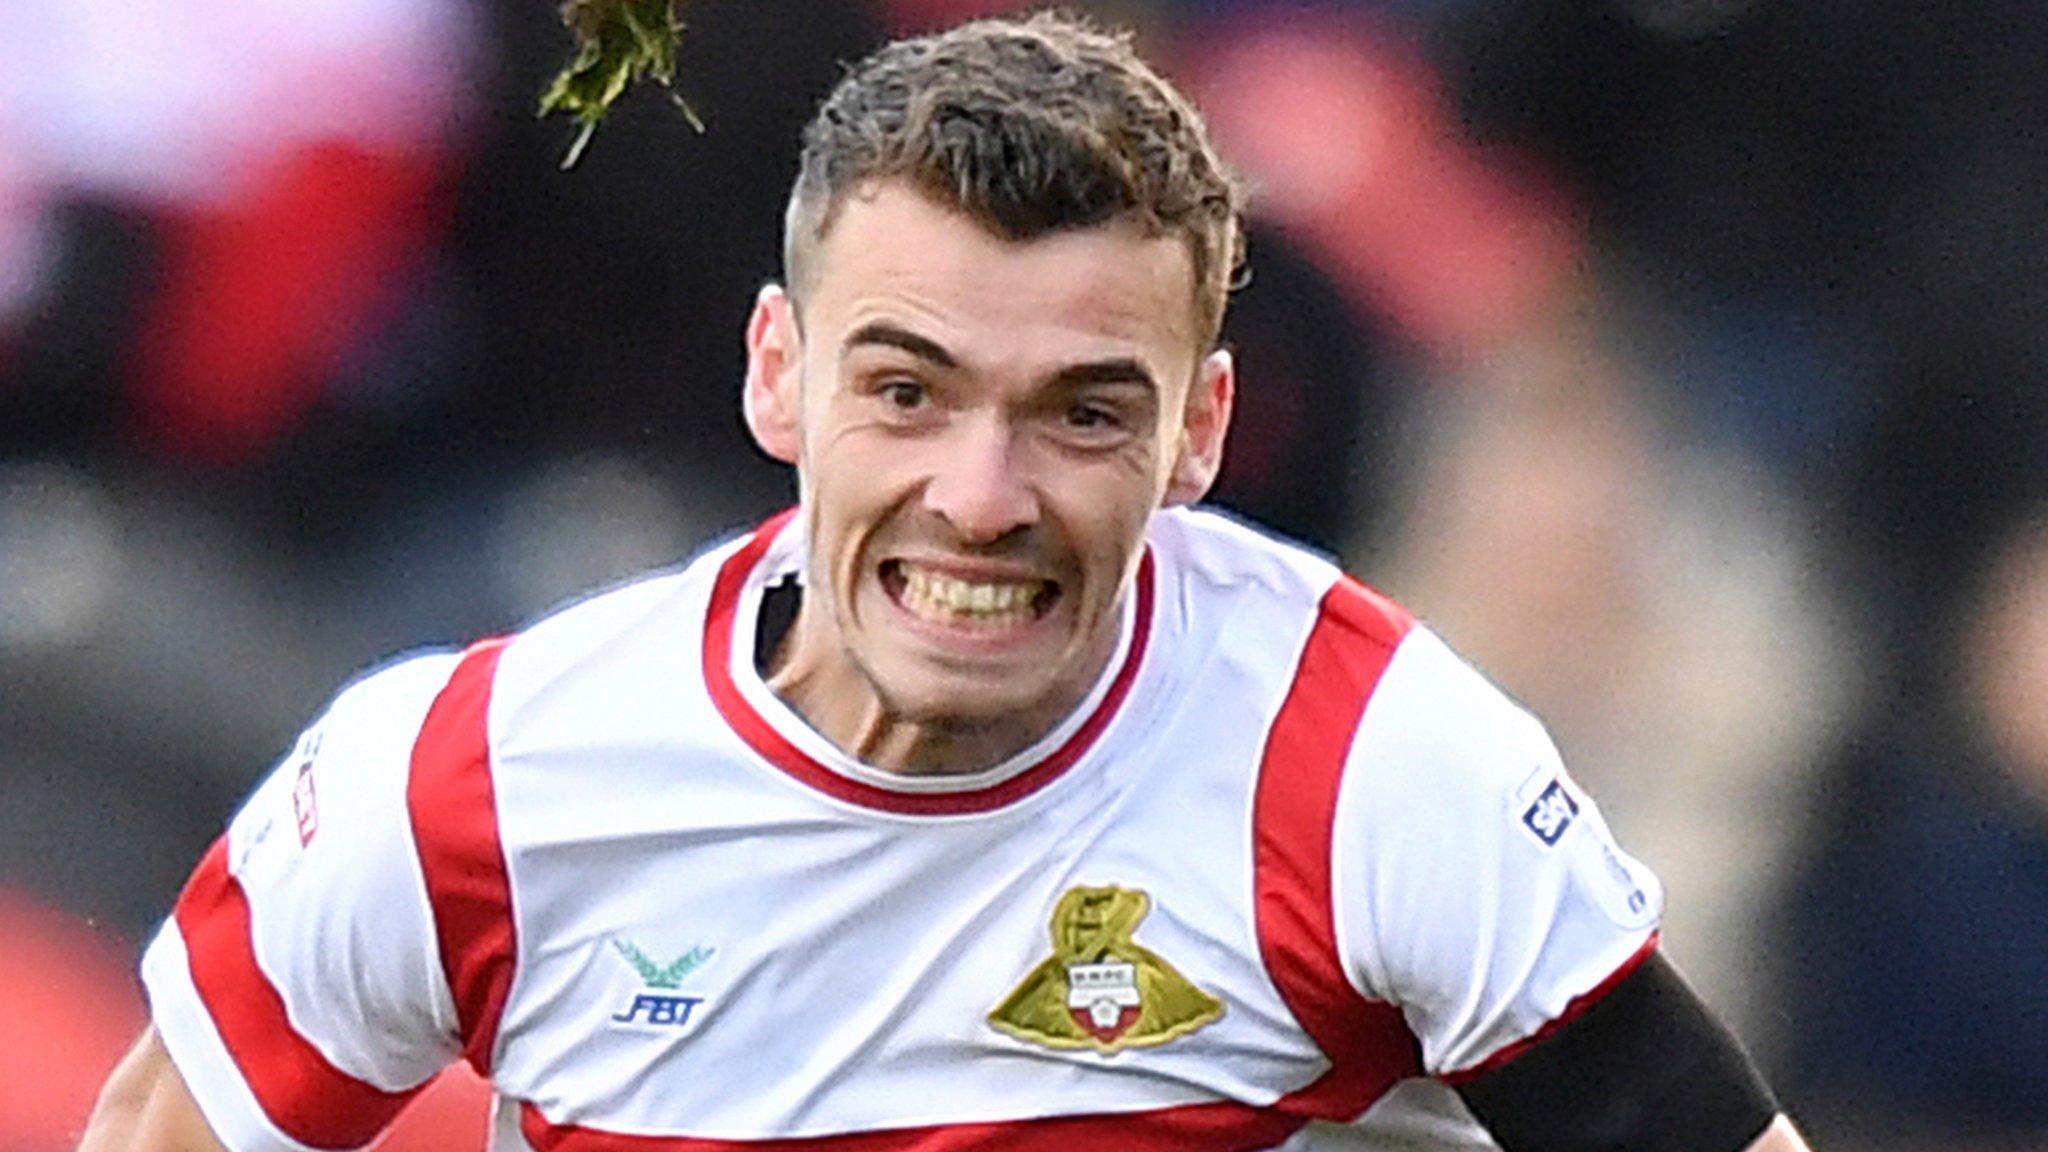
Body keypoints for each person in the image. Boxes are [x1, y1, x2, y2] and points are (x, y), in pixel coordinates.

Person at [80, 13, 1811, 1151]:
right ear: (780, 376)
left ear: (1200, 432)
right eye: (908, 393)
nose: (982, 500)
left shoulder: (1367, 766)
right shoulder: (472, 789)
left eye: (1083, 412)